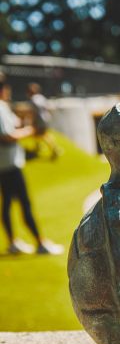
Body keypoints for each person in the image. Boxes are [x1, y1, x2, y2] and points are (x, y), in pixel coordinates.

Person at [0, 80, 63, 254]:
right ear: (3, 90)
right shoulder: (0, 107)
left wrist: (25, 122)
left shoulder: (4, 107)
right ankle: (40, 243)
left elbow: (13, 126)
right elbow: (7, 136)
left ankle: (13, 242)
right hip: (10, 164)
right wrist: (30, 131)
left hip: (5, 164)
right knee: (24, 203)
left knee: (6, 204)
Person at [26, 83, 61, 160]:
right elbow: (47, 107)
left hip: (40, 120)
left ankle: (55, 149)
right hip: (46, 118)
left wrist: (32, 121)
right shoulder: (41, 97)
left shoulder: (33, 99)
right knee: (38, 134)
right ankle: (38, 148)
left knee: (43, 135)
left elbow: (34, 112)